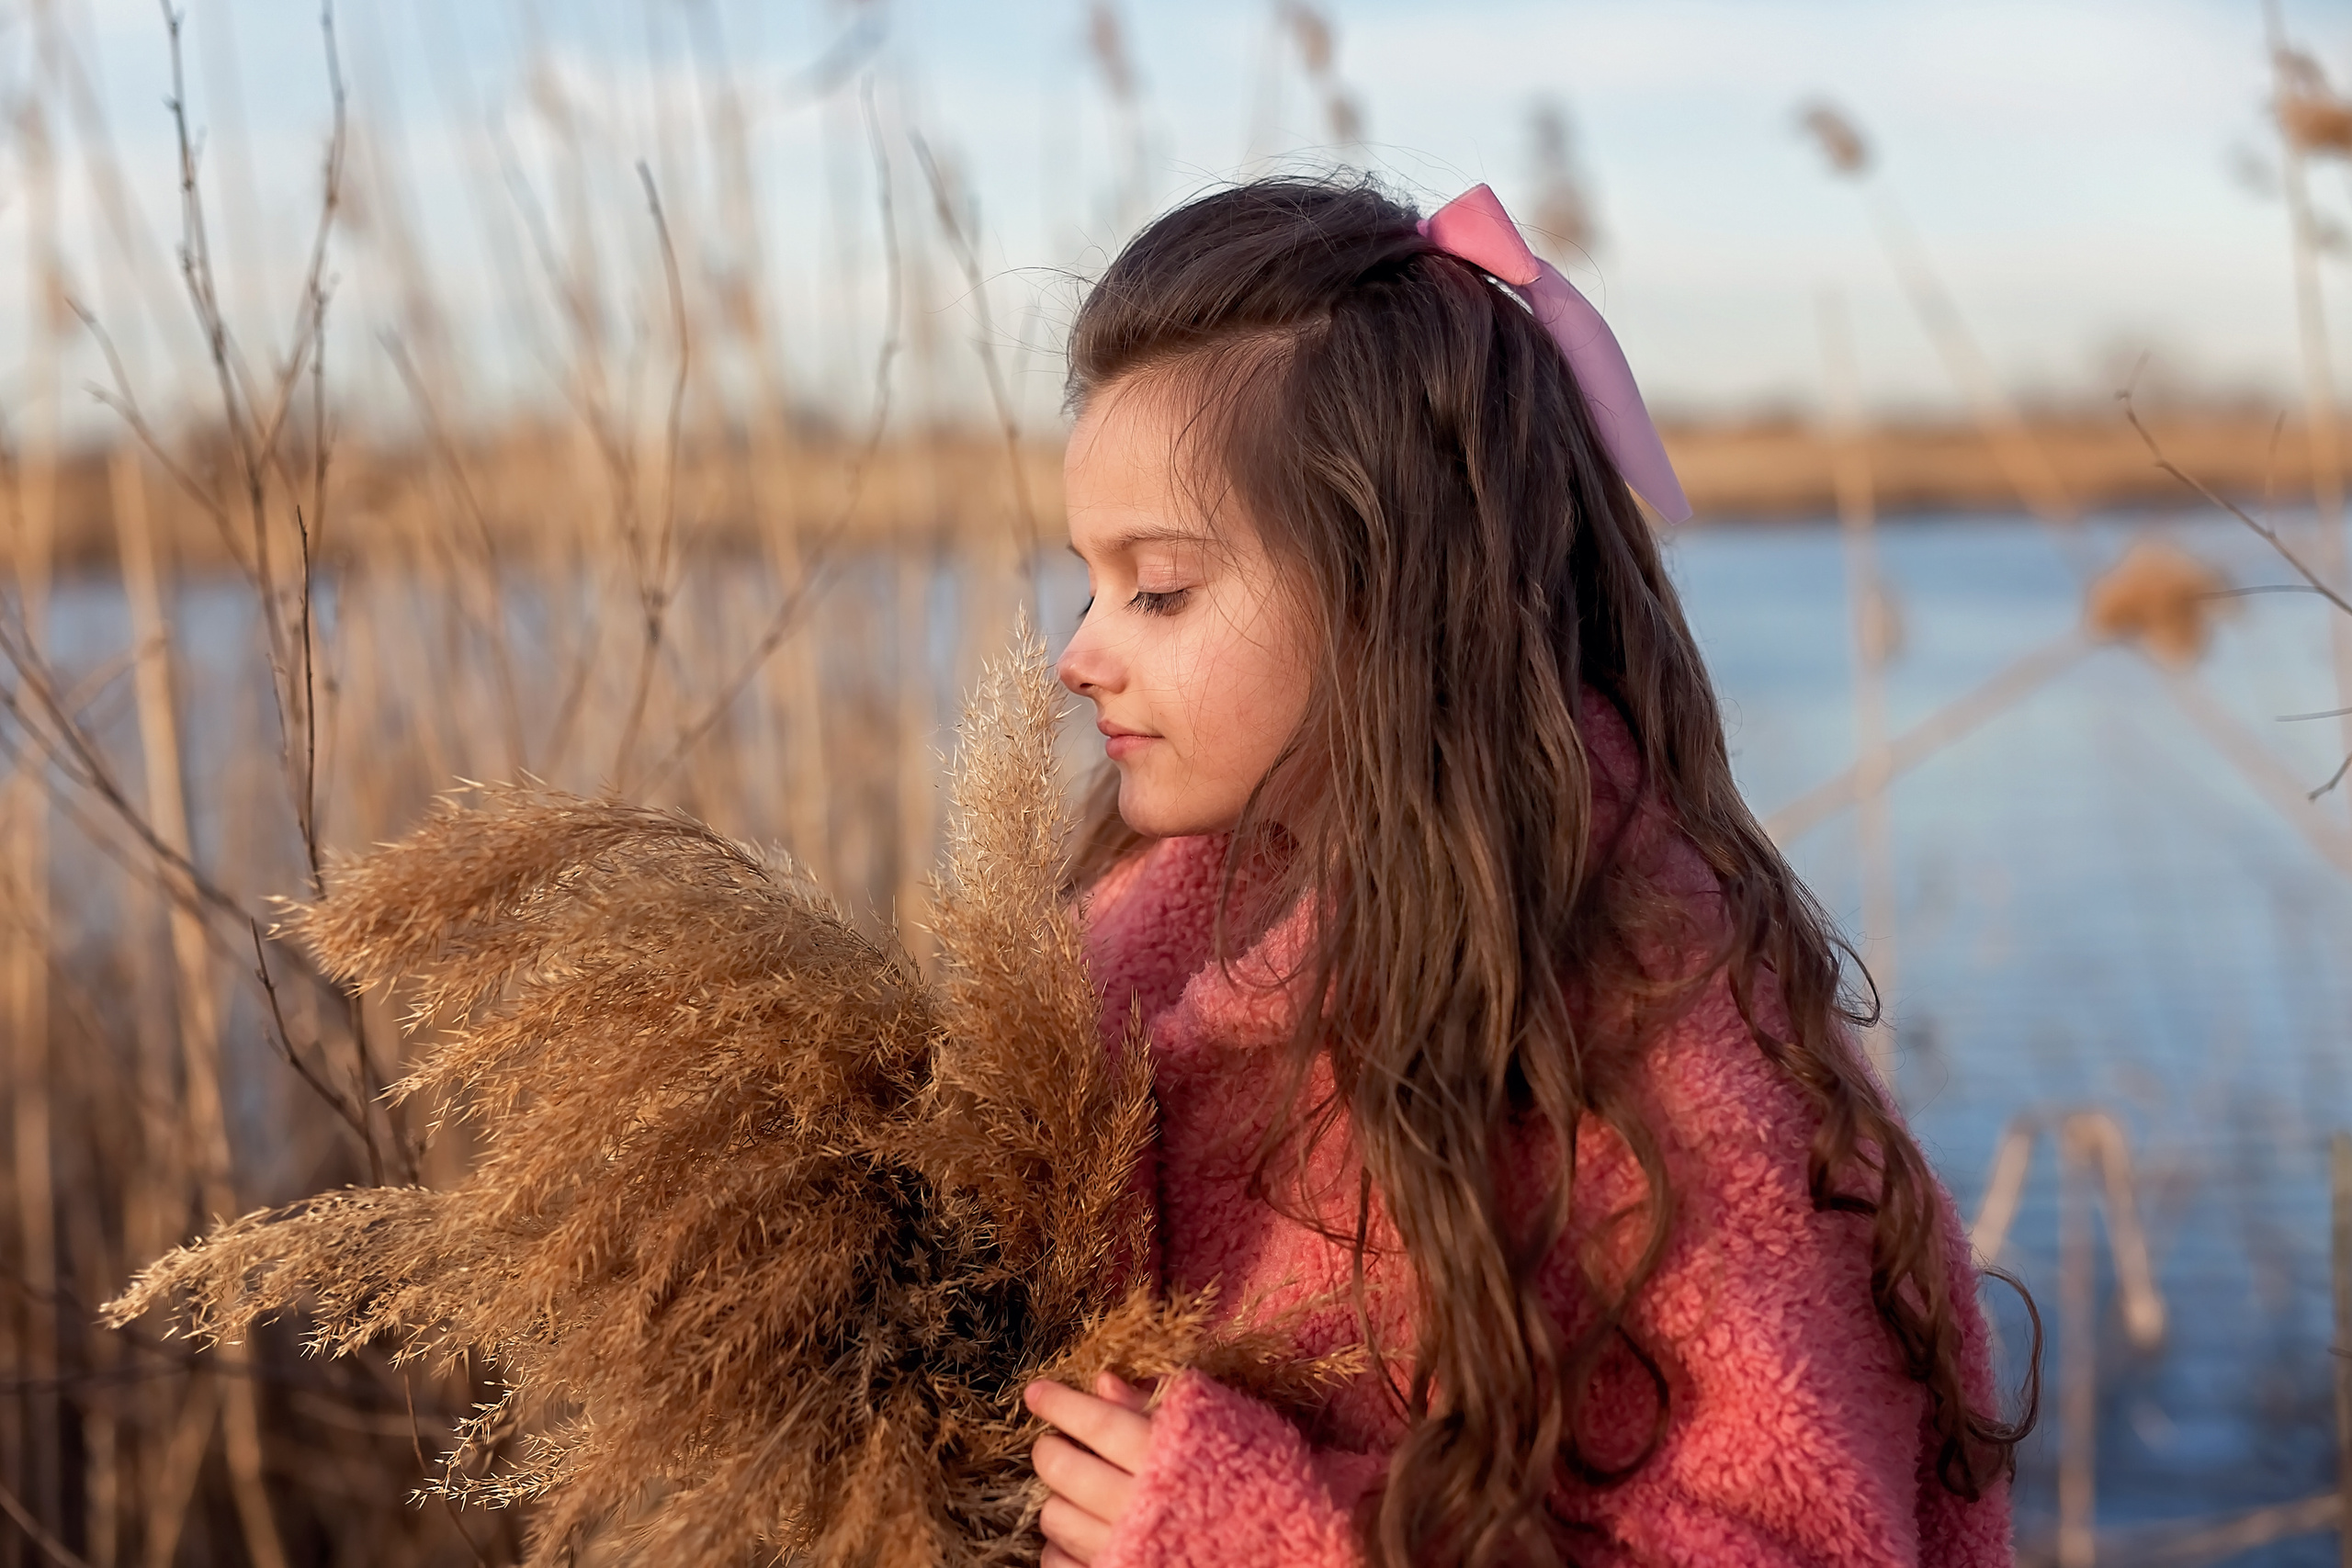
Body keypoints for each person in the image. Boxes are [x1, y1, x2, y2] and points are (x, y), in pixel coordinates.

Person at [1021, 176, 2031, 1568]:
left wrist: (1274, 1540)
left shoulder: (1646, 1025)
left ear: (1391, 592)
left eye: (1163, 588)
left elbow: (1809, 1535)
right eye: (1086, 580)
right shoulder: (1131, 951)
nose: (1080, 650)